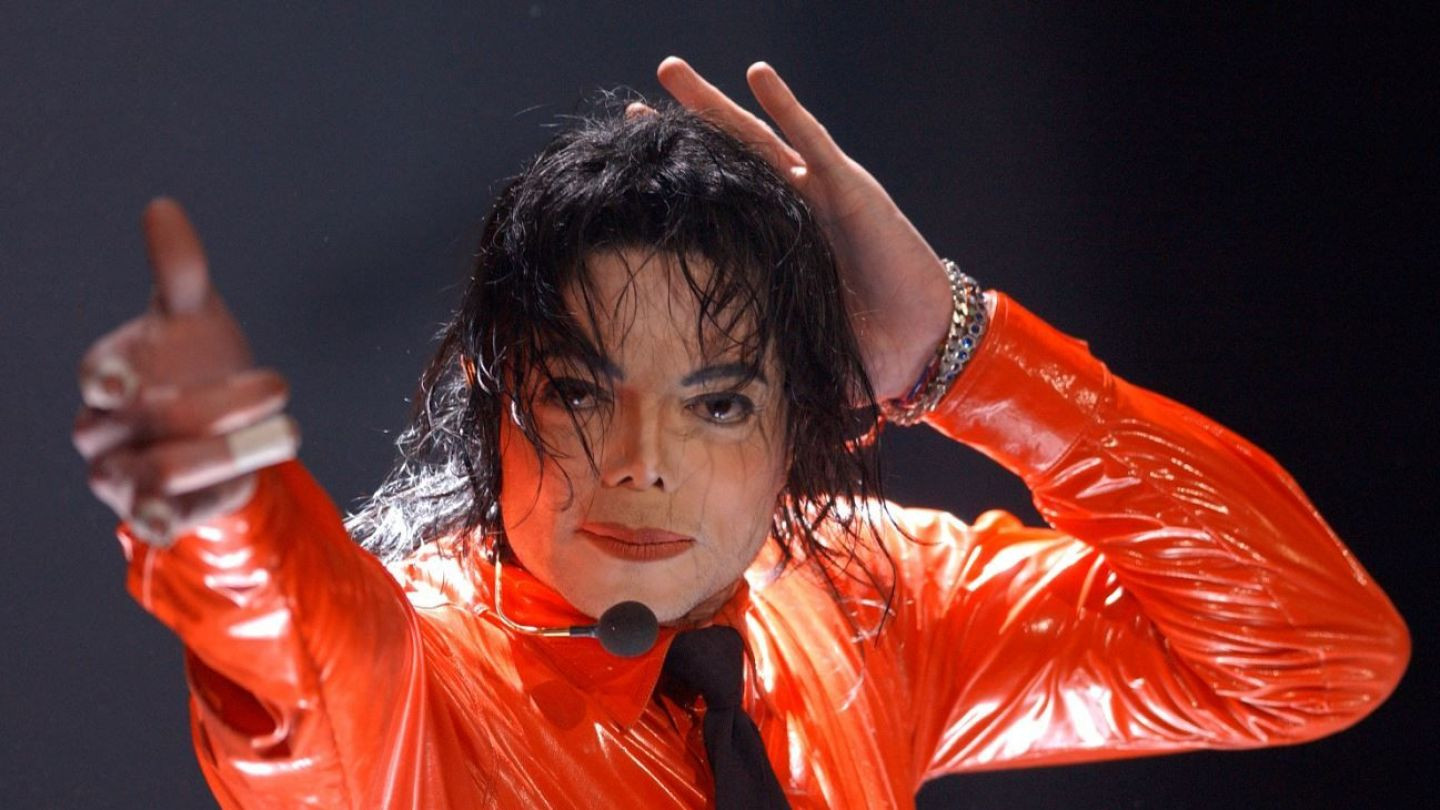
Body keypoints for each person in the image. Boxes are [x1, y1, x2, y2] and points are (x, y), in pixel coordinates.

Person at [73, 58, 1409, 809]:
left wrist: (962, 352)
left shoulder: (868, 605)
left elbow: (1311, 659)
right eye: (580, 390)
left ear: (802, 424)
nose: (643, 459)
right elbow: (302, 643)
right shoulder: (414, 680)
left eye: (718, 401)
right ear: (495, 396)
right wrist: (216, 502)